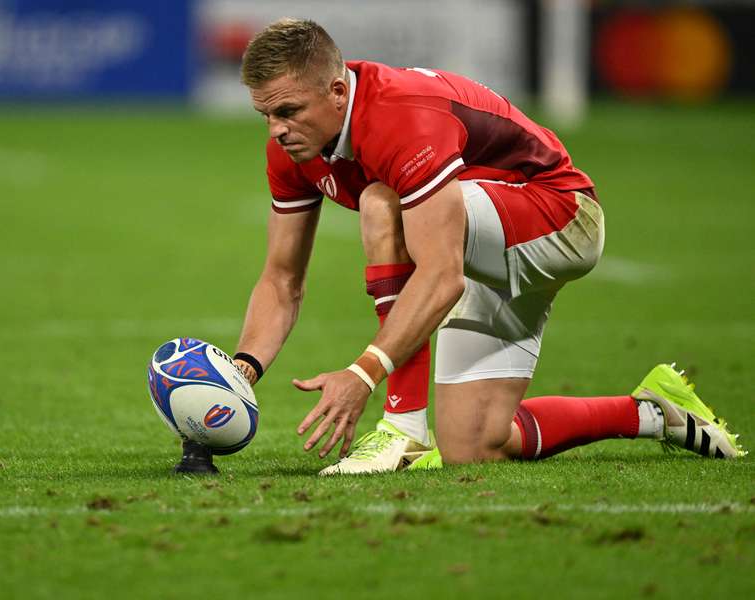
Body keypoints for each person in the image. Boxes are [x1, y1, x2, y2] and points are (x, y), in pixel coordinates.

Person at [228, 18, 744, 475]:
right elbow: (282, 279)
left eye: (288, 111)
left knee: (382, 203)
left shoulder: (397, 115)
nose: (276, 130)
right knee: (475, 444)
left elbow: (441, 274)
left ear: (338, 91)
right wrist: (239, 374)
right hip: (481, 241)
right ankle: (656, 412)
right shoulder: (293, 152)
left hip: (559, 217)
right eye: (266, 116)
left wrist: (363, 375)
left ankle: (401, 426)